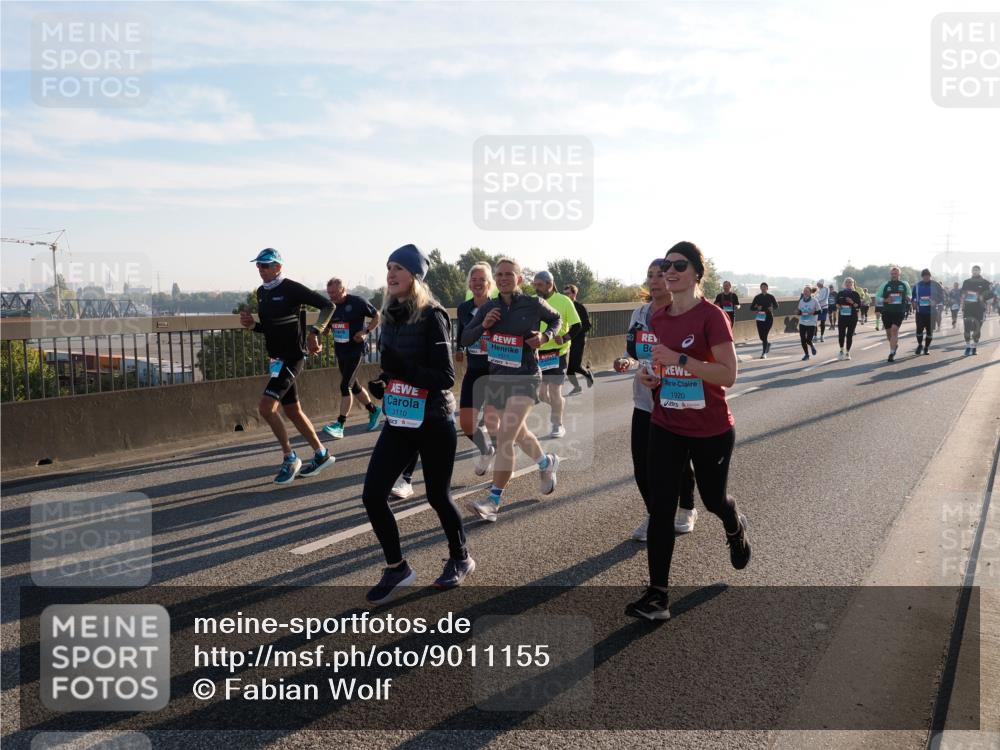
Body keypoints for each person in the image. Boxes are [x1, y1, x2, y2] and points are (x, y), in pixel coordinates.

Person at [627, 241, 750, 621]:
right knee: (661, 509)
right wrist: (649, 376)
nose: (670, 271)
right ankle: (658, 596)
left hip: (710, 428)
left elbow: (727, 375)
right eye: (666, 265)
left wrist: (682, 359)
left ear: (698, 273)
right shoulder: (659, 318)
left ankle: (733, 523)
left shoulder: (711, 316)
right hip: (666, 423)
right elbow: (656, 367)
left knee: (714, 500)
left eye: (680, 265)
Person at [360, 244, 474, 604]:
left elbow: (444, 376)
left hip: (434, 418)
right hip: (400, 417)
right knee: (372, 494)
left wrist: (403, 369)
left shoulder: (432, 315)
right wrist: (384, 381)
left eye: (399, 268)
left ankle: (461, 558)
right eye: (388, 267)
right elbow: (396, 365)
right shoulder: (390, 314)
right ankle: (397, 568)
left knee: (438, 495)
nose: (391, 274)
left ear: (415, 276)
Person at [462, 259, 562, 523]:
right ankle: (545, 462)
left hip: (526, 378)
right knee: (519, 433)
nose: (504, 278)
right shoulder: (489, 307)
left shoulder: (533, 304)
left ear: (519, 279)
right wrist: (484, 325)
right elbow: (464, 338)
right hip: (498, 379)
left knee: (505, 434)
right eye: (500, 275)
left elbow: (556, 319)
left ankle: (493, 500)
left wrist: (544, 337)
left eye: (509, 274)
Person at [614, 260, 698, 541]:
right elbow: (634, 351)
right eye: (650, 275)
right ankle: (656, 514)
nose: (654, 280)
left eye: (660, 275)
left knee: (678, 461)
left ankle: (686, 508)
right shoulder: (639, 313)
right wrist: (625, 361)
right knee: (642, 464)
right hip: (644, 399)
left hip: (676, 396)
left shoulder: (685, 313)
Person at [240, 248, 336, 484]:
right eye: (258, 265)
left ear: (278, 267)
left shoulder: (291, 288)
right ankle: (321, 454)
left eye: (265, 265)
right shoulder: (262, 292)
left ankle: (290, 457)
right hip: (276, 360)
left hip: (293, 357)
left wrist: (315, 332)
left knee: (266, 408)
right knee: (292, 410)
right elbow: (272, 327)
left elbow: (328, 306)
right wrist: (253, 326)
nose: (260, 269)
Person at [319, 278, 383, 439]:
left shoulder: (357, 302)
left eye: (333, 293)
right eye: (329, 293)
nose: (331, 296)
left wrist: (365, 332)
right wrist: (319, 335)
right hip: (341, 351)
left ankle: (340, 424)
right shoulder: (330, 307)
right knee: (353, 386)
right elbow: (325, 328)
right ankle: (374, 411)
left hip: (356, 350)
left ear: (342, 290)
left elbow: (377, 316)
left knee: (344, 385)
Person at [455, 262, 501, 476]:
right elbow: (462, 331)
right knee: (466, 424)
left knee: (492, 420)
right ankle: (486, 450)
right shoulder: (464, 308)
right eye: (473, 279)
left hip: (494, 370)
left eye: (482, 279)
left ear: (489, 283)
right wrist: (459, 348)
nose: (477, 283)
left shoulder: (498, 306)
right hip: (474, 368)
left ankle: (502, 467)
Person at [533, 271, 582, 439]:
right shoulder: (533, 301)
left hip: (558, 353)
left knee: (554, 391)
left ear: (549, 284)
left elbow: (577, 326)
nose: (536, 288)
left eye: (539, 285)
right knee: (541, 394)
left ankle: (557, 424)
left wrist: (565, 337)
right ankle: (558, 403)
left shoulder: (564, 301)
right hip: (538, 353)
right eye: (535, 284)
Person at [563, 284, 595, 394]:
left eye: (568, 293)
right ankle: (577, 387)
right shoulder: (564, 306)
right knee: (569, 370)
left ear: (574, 294)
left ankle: (587, 374)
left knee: (575, 366)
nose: (565, 296)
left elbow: (587, 325)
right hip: (566, 341)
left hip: (578, 340)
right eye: (564, 294)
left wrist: (574, 333)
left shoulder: (580, 307)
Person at [877, 267, 911, 362]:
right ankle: (894, 345)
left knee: (894, 330)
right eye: (892, 273)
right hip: (887, 311)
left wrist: (909, 297)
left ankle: (892, 353)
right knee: (889, 334)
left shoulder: (904, 284)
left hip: (899, 311)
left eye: (895, 273)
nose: (894, 275)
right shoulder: (885, 284)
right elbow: (877, 298)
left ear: (899, 274)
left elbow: (910, 294)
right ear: (890, 274)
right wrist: (885, 300)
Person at [960, 265, 994, 356]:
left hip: (980, 309)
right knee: (967, 328)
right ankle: (967, 347)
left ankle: (974, 347)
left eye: (977, 270)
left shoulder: (986, 283)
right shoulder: (966, 282)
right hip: (968, 308)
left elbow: (990, 297)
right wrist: (962, 305)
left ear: (980, 271)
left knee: (977, 328)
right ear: (971, 271)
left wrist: (986, 305)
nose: (975, 272)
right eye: (973, 270)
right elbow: (962, 294)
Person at [912, 269, 945, 355]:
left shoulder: (936, 285)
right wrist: (914, 302)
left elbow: (942, 296)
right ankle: (920, 345)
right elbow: (914, 296)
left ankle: (926, 347)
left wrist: (935, 301)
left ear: (930, 276)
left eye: (927, 276)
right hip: (920, 312)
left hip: (932, 313)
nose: (926, 277)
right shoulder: (917, 285)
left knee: (929, 332)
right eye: (924, 276)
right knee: (919, 330)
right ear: (922, 276)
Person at [750, 282, 779, 359]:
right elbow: (751, 308)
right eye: (762, 287)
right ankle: (767, 344)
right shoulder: (757, 297)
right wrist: (757, 308)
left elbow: (776, 306)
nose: (763, 288)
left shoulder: (771, 297)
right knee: (761, 336)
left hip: (769, 317)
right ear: (760, 288)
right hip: (760, 317)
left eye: (765, 287)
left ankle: (763, 353)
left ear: (767, 288)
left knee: (765, 335)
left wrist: (772, 308)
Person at [835, 278, 862, 360]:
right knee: (841, 335)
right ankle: (841, 350)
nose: (848, 283)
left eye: (850, 282)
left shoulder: (855, 294)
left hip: (852, 317)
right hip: (842, 317)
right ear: (844, 283)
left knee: (849, 335)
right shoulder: (840, 293)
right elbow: (836, 304)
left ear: (853, 284)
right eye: (847, 282)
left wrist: (852, 302)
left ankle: (847, 352)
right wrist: (838, 306)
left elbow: (858, 305)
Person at [797, 285, 822, 361]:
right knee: (802, 339)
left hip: (811, 323)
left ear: (810, 292)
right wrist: (798, 312)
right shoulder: (801, 301)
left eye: (807, 291)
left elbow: (820, 311)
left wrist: (813, 312)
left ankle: (812, 346)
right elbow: (800, 311)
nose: (805, 292)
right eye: (804, 291)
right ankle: (806, 354)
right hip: (802, 322)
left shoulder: (814, 301)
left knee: (808, 340)